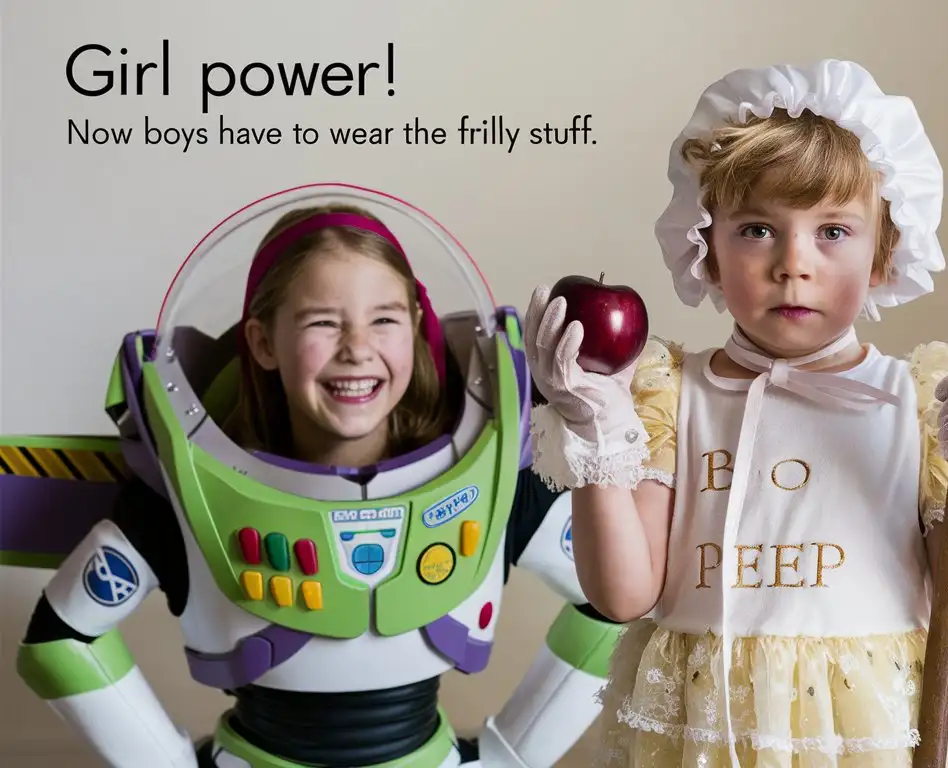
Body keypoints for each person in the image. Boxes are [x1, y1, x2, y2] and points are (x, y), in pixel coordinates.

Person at [523, 61, 948, 766]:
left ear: (885, 254)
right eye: (758, 229)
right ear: (705, 248)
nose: (794, 263)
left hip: (880, 733)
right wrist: (598, 440)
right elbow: (622, 595)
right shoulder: (669, 396)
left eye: (833, 232)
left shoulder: (923, 403)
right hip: (709, 734)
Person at [13, 192, 623, 768]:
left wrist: (510, 757)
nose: (356, 349)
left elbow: (613, 604)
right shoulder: (189, 490)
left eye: (383, 319)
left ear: (415, 324)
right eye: (322, 323)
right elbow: (60, 638)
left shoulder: (493, 481)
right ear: (262, 340)